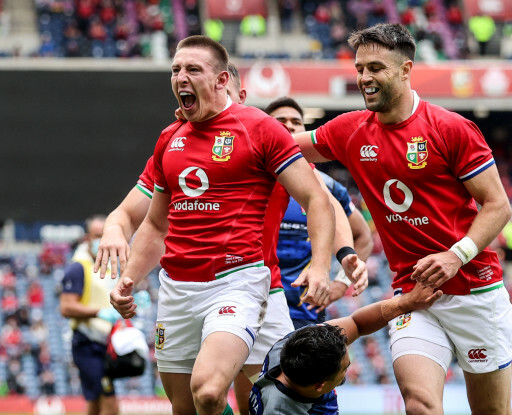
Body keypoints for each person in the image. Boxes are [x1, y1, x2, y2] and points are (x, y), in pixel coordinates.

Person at [97, 64, 367, 415]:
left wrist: (336, 269)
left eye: (295, 122)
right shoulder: (179, 144)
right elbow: (140, 218)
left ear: (237, 97)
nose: (287, 127)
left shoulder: (270, 141)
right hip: (200, 288)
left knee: (286, 398)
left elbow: (327, 205)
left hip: (261, 288)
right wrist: (112, 230)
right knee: (209, 404)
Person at [294, 23, 512, 414]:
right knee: (418, 405)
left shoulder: (451, 128)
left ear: (406, 69)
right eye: (360, 68)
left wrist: (455, 255)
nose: (364, 78)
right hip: (414, 296)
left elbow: (498, 205)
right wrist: (222, 119)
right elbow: (283, 148)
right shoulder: (349, 130)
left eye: (376, 68)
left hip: (475, 293)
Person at [249, 281, 444, 414]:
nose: (348, 370)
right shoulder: (284, 410)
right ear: (320, 386)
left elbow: (357, 324)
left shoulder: (295, 343)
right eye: (344, 370)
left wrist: (405, 302)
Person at [264, 96, 373, 328]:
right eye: (281, 120)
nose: (290, 126)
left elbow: (362, 236)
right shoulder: (253, 181)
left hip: (304, 311)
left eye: (296, 122)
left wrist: (341, 284)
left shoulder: (327, 186)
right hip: (254, 300)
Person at [60, 215, 120, 415]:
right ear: (87, 238)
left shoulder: (109, 266)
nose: (102, 241)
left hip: (103, 343)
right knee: (109, 403)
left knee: (94, 401)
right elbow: (66, 308)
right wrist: (100, 313)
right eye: (97, 236)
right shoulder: (78, 267)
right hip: (87, 343)